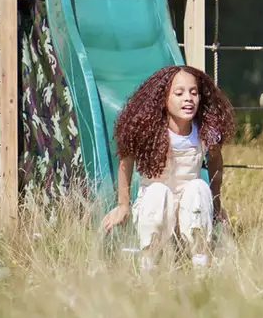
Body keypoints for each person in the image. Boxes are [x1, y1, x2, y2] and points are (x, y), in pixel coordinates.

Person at [99, 65, 235, 270]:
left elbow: (216, 165)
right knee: (157, 191)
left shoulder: (204, 132)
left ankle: (200, 261)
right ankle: (149, 263)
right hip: (156, 208)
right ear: (163, 99)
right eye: (179, 93)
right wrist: (123, 204)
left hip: (189, 208)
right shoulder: (150, 131)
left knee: (198, 187)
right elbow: (125, 161)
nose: (188, 98)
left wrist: (216, 206)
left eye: (194, 93)